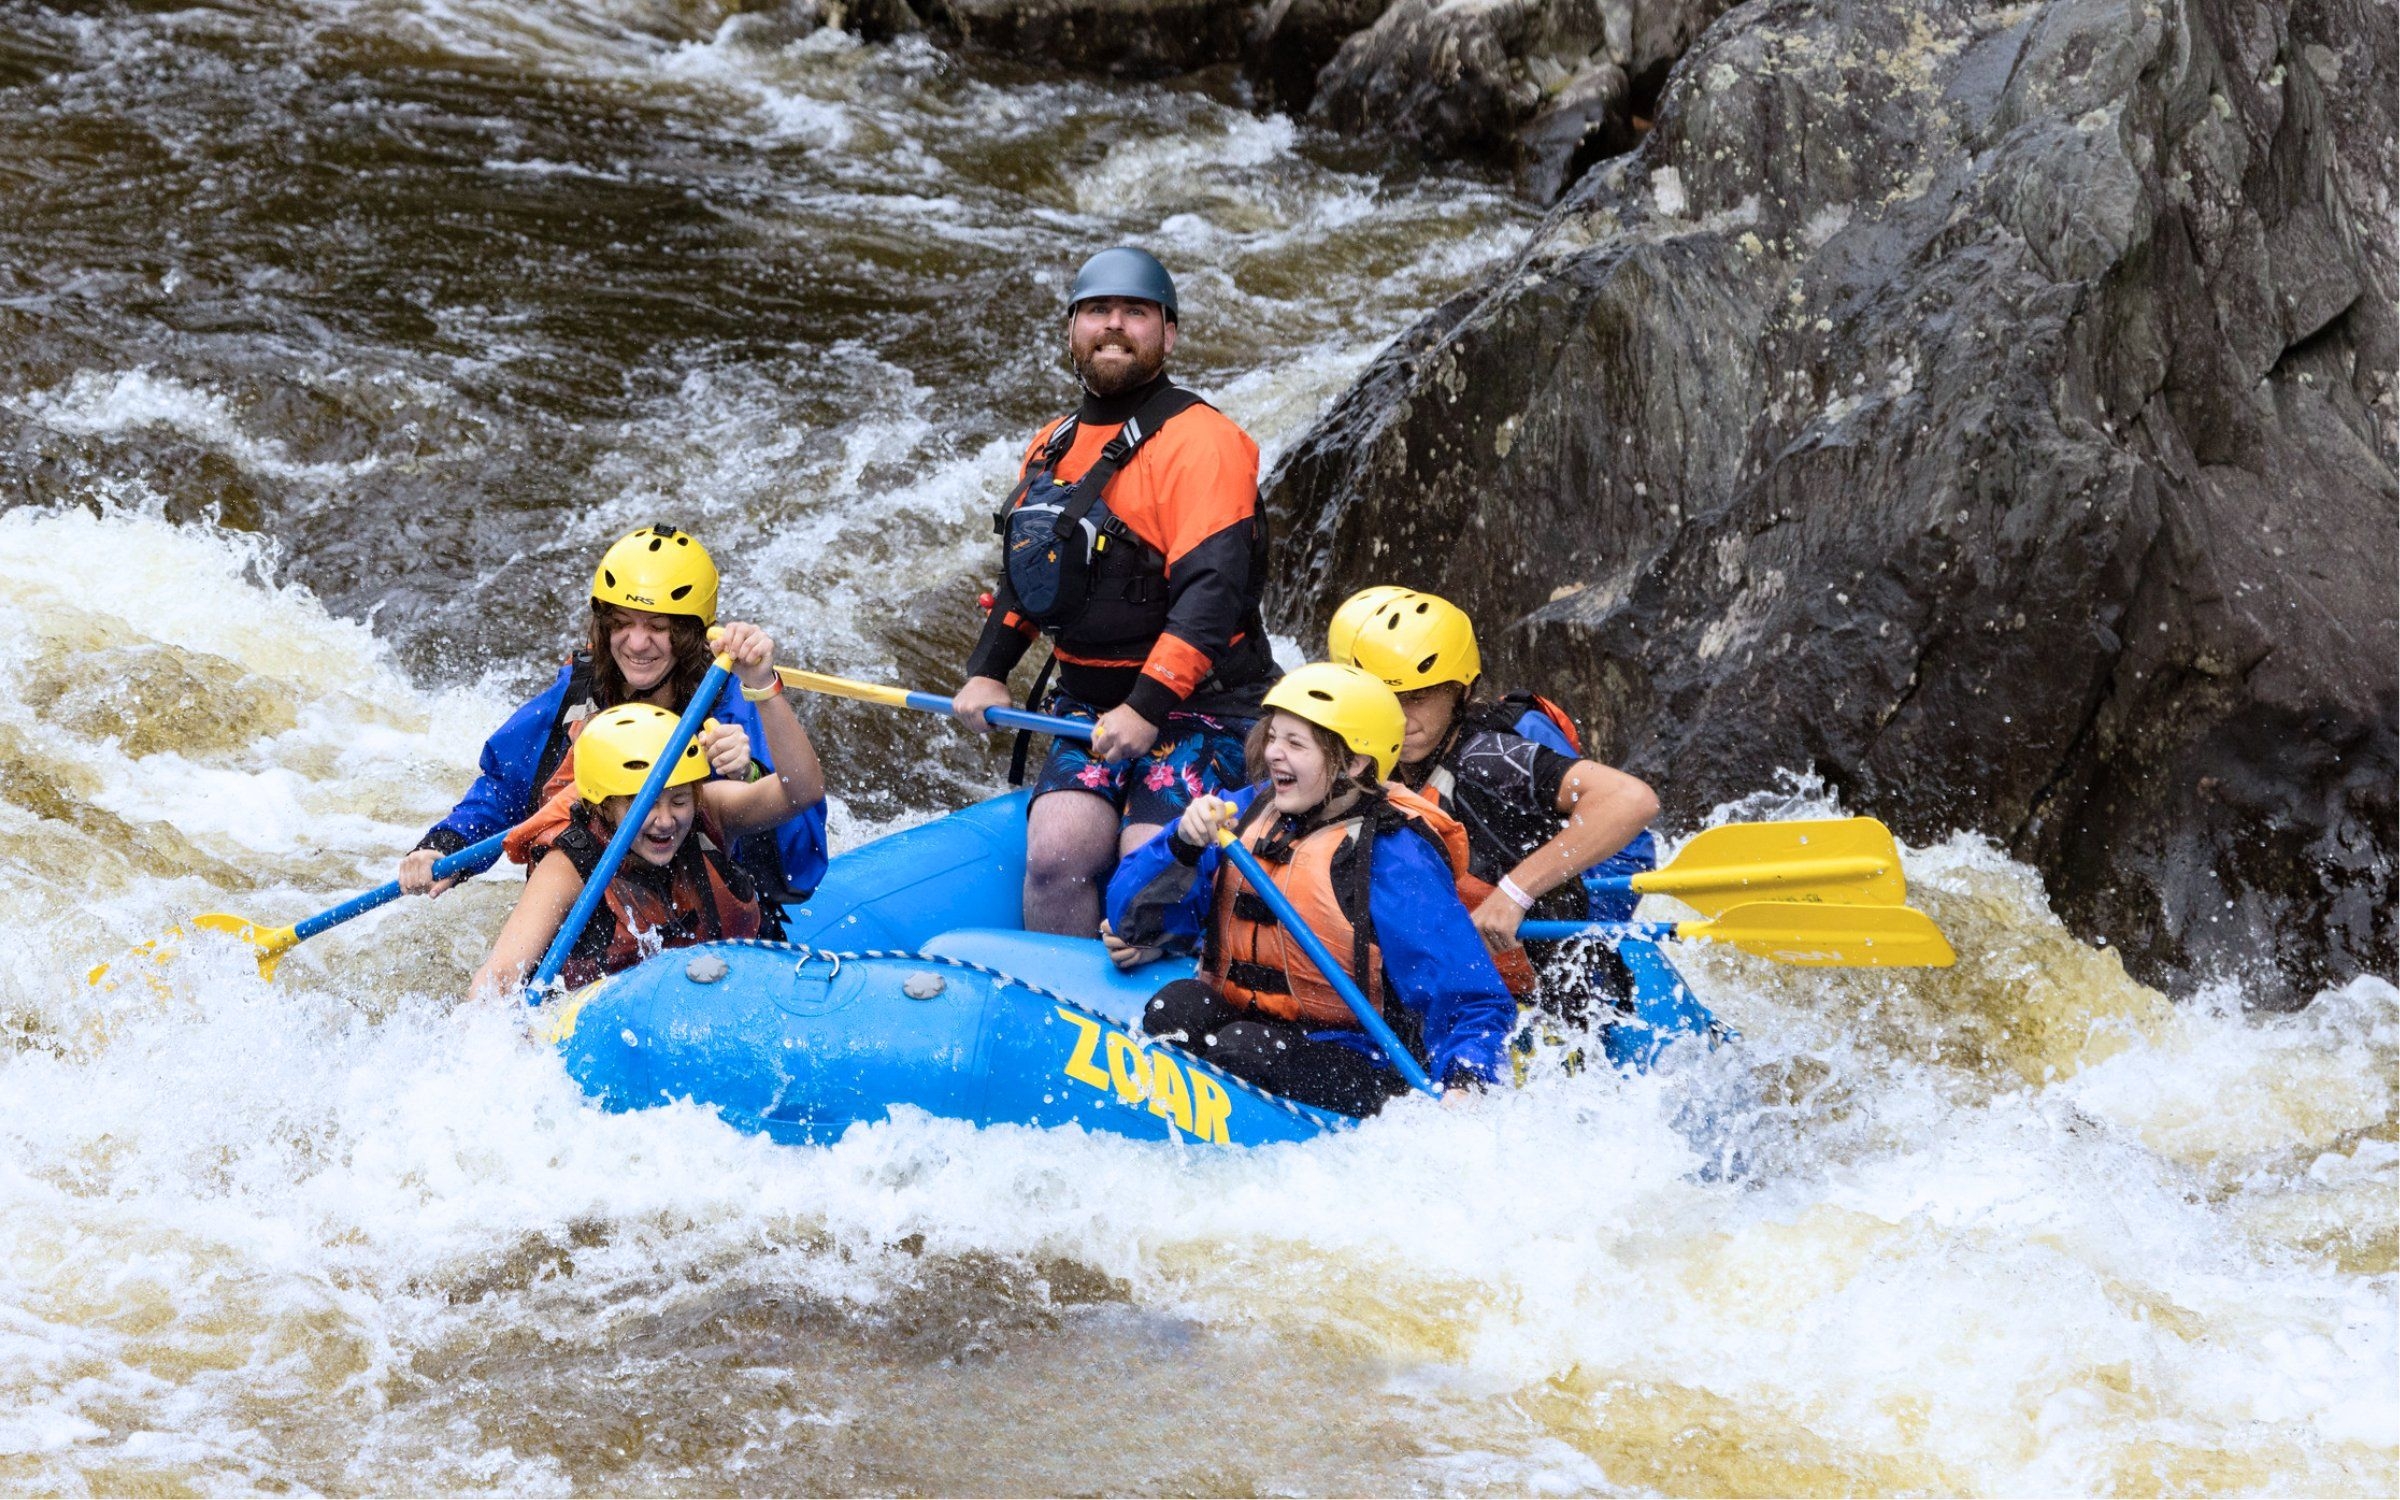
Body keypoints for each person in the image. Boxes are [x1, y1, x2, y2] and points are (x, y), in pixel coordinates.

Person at [953, 247, 1278, 937]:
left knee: (1148, 863)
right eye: (1098, 310)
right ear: (1073, 328)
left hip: (1205, 707)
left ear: (1169, 333)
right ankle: (1057, 1014)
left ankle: (1165, 1008)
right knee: (1055, 853)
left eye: (1136, 312)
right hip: (1093, 705)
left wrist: (1147, 706)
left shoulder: (1204, 442)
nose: (1115, 325)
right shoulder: (1053, 443)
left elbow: (1211, 596)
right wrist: (986, 672)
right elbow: (1030, 577)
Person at [1102, 663, 1516, 1117]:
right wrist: (1181, 842)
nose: (1274, 753)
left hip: (1361, 1058)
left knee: (1245, 1049)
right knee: (1174, 1009)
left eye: (1295, 744)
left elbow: (1466, 992)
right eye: (1274, 736)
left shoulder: (1394, 858)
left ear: (1354, 763)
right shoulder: (1244, 813)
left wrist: (1466, 1080)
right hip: (1254, 1023)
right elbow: (1132, 919)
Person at [400, 525, 828, 930]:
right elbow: (503, 786)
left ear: (690, 633)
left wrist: (747, 771)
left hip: (708, 923)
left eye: (658, 628)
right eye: (621, 623)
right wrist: (448, 845)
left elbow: (802, 854)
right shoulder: (578, 695)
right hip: (599, 925)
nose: (637, 644)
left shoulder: (732, 703)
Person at [1333, 588, 1660, 1021]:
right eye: (1384, 698)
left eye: (1418, 697)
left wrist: (1514, 893)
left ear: (1461, 691)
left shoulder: (1488, 758)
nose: (1401, 718)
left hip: (1557, 966)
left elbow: (1631, 800)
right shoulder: (1361, 757)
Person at [470, 623, 819, 997]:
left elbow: (801, 790)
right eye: (644, 806)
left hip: (716, 992)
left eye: (680, 800)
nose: (667, 820)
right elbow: (500, 976)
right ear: (603, 806)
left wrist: (763, 685)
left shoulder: (711, 811)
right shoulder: (571, 861)